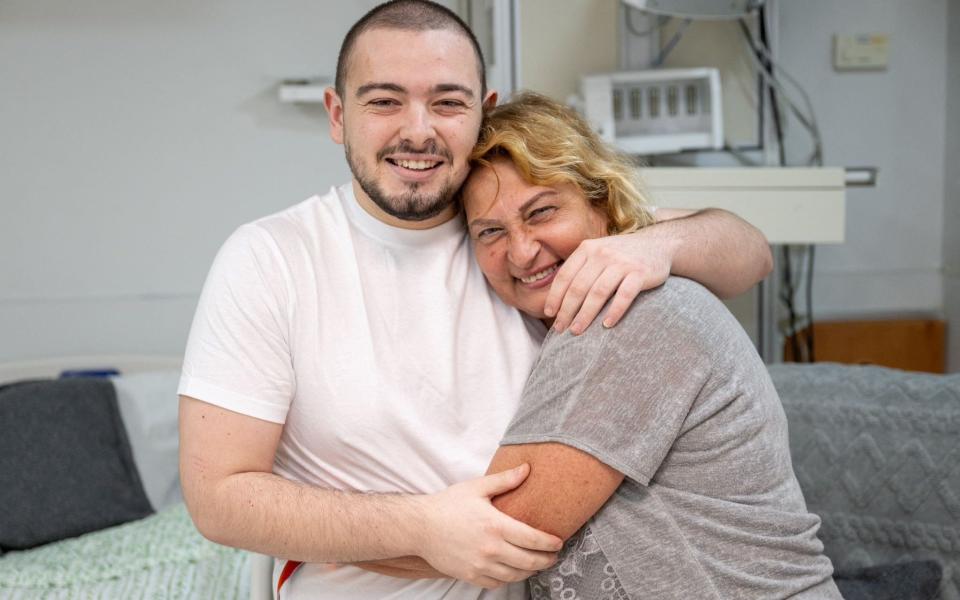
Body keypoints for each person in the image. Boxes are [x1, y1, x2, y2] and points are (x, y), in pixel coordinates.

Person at [177, 2, 773, 599]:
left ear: (481, 113)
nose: (417, 130)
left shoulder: (521, 243)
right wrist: (420, 527)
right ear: (338, 115)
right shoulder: (272, 258)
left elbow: (748, 250)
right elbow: (218, 496)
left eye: (447, 102)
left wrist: (657, 245)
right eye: (384, 101)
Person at [450, 92, 840, 598]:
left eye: (543, 212)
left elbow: (502, 533)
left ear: (603, 205)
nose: (522, 250)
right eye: (491, 231)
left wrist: (327, 534)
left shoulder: (626, 309)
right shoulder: (553, 304)